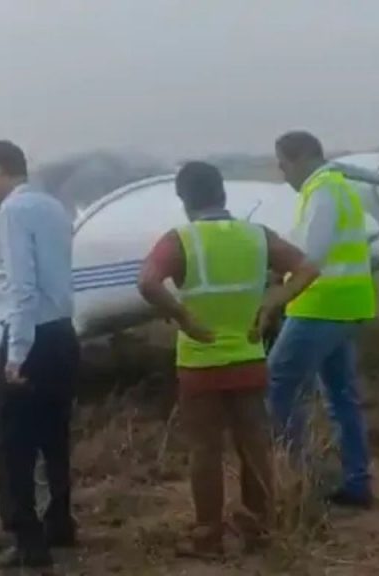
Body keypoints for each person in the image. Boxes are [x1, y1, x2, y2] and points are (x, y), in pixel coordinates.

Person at [137, 162, 320, 557]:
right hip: (249, 358)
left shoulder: (180, 240)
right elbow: (307, 267)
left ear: (184, 198)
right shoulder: (257, 236)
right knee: (254, 445)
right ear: (222, 192)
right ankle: (259, 531)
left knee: (205, 450)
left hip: (200, 363)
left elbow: (147, 281)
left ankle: (209, 538)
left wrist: (183, 316)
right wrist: (273, 303)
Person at [0, 141, 77, 569]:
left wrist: (15, 354)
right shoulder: (52, 206)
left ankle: (27, 541)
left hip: (29, 337)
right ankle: (59, 524)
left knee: (14, 445)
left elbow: (20, 286)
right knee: (54, 438)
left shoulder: (14, 212)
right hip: (61, 334)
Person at [268, 131, 377, 509]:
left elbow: (309, 262)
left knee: (276, 383)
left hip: (320, 308)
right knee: (341, 397)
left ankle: (295, 478)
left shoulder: (323, 192)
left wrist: (273, 300)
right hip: (347, 306)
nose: (284, 175)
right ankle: (356, 482)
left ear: (299, 159)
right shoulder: (341, 187)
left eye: (283, 165)